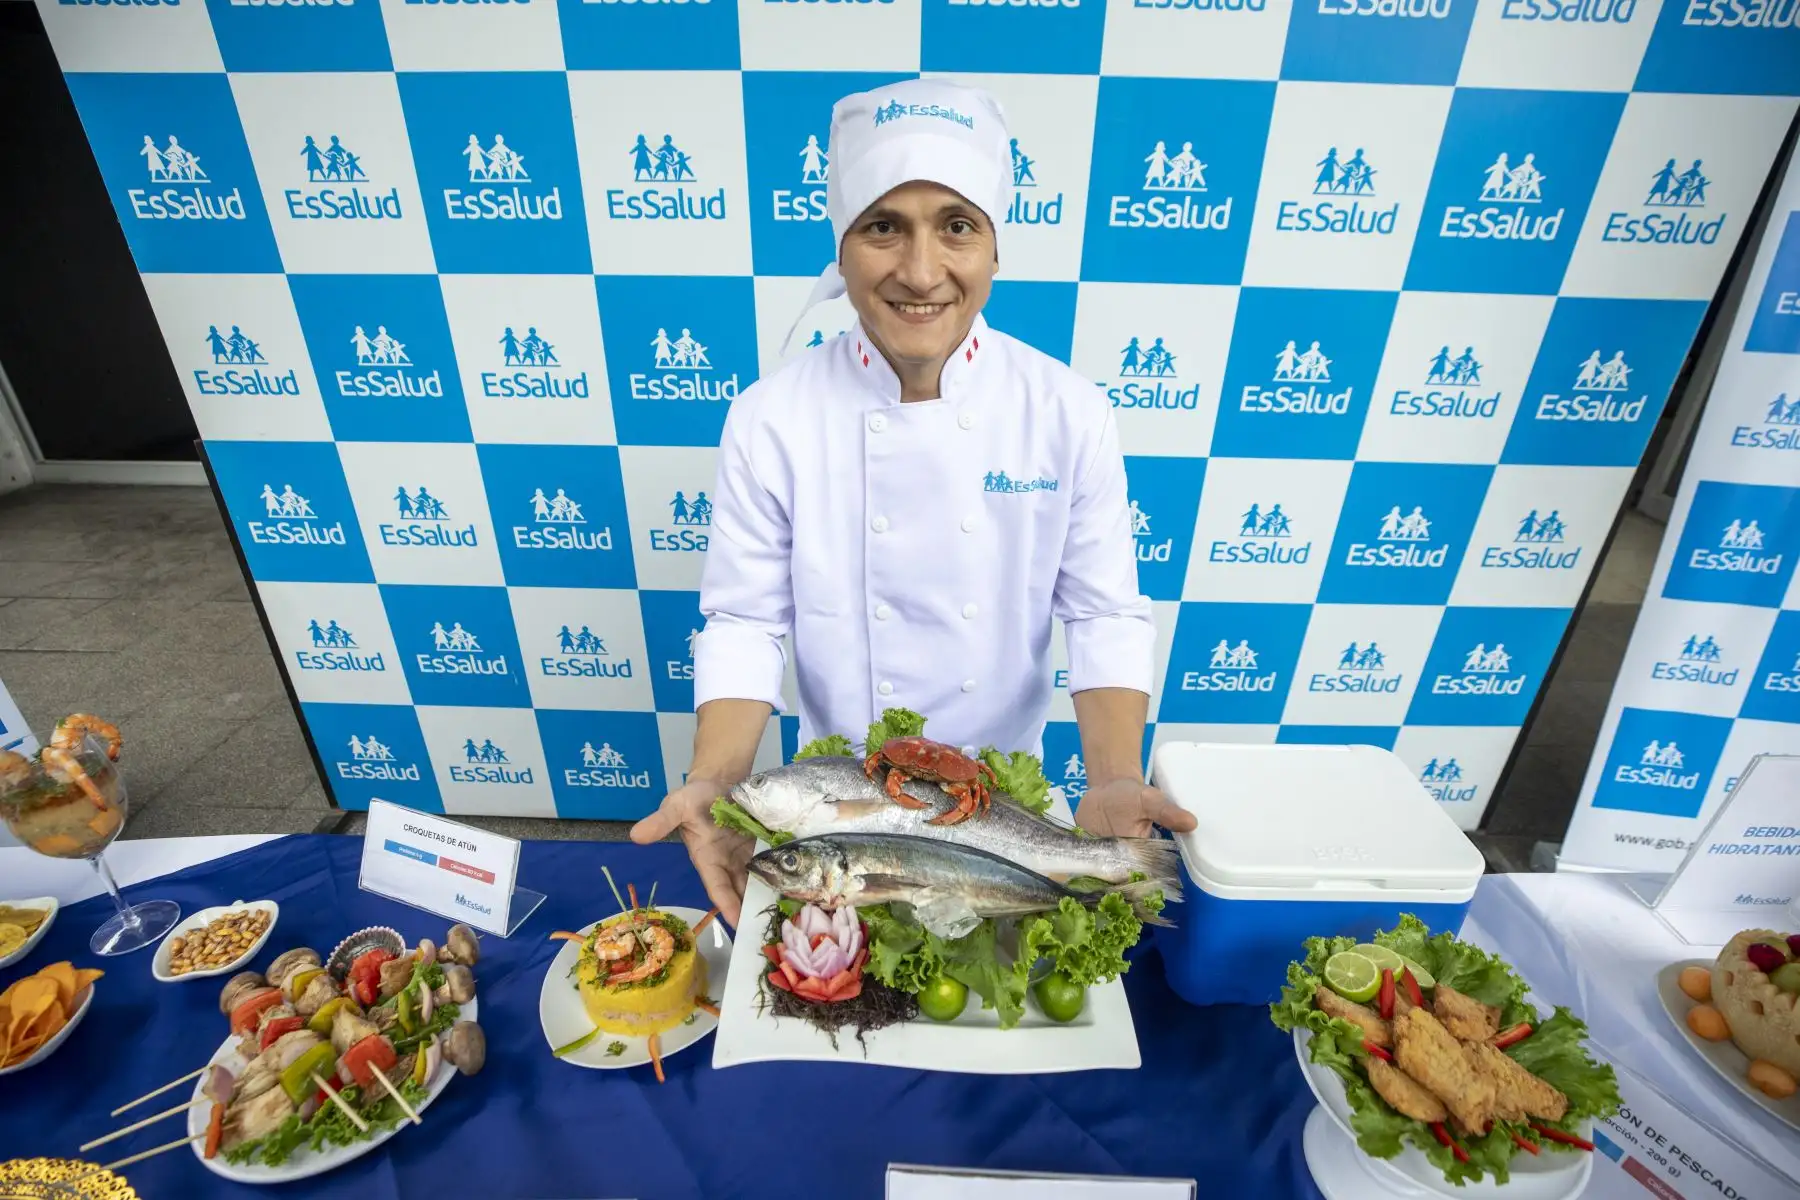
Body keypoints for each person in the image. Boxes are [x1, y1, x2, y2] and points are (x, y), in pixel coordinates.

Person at [629, 79, 1194, 927]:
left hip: (1012, 808)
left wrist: (1114, 776)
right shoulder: (770, 418)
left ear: (995, 249)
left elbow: (1105, 613)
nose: (922, 271)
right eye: (883, 226)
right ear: (843, 246)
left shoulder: (1067, 411)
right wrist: (712, 780)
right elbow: (745, 623)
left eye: (956, 226)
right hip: (837, 822)